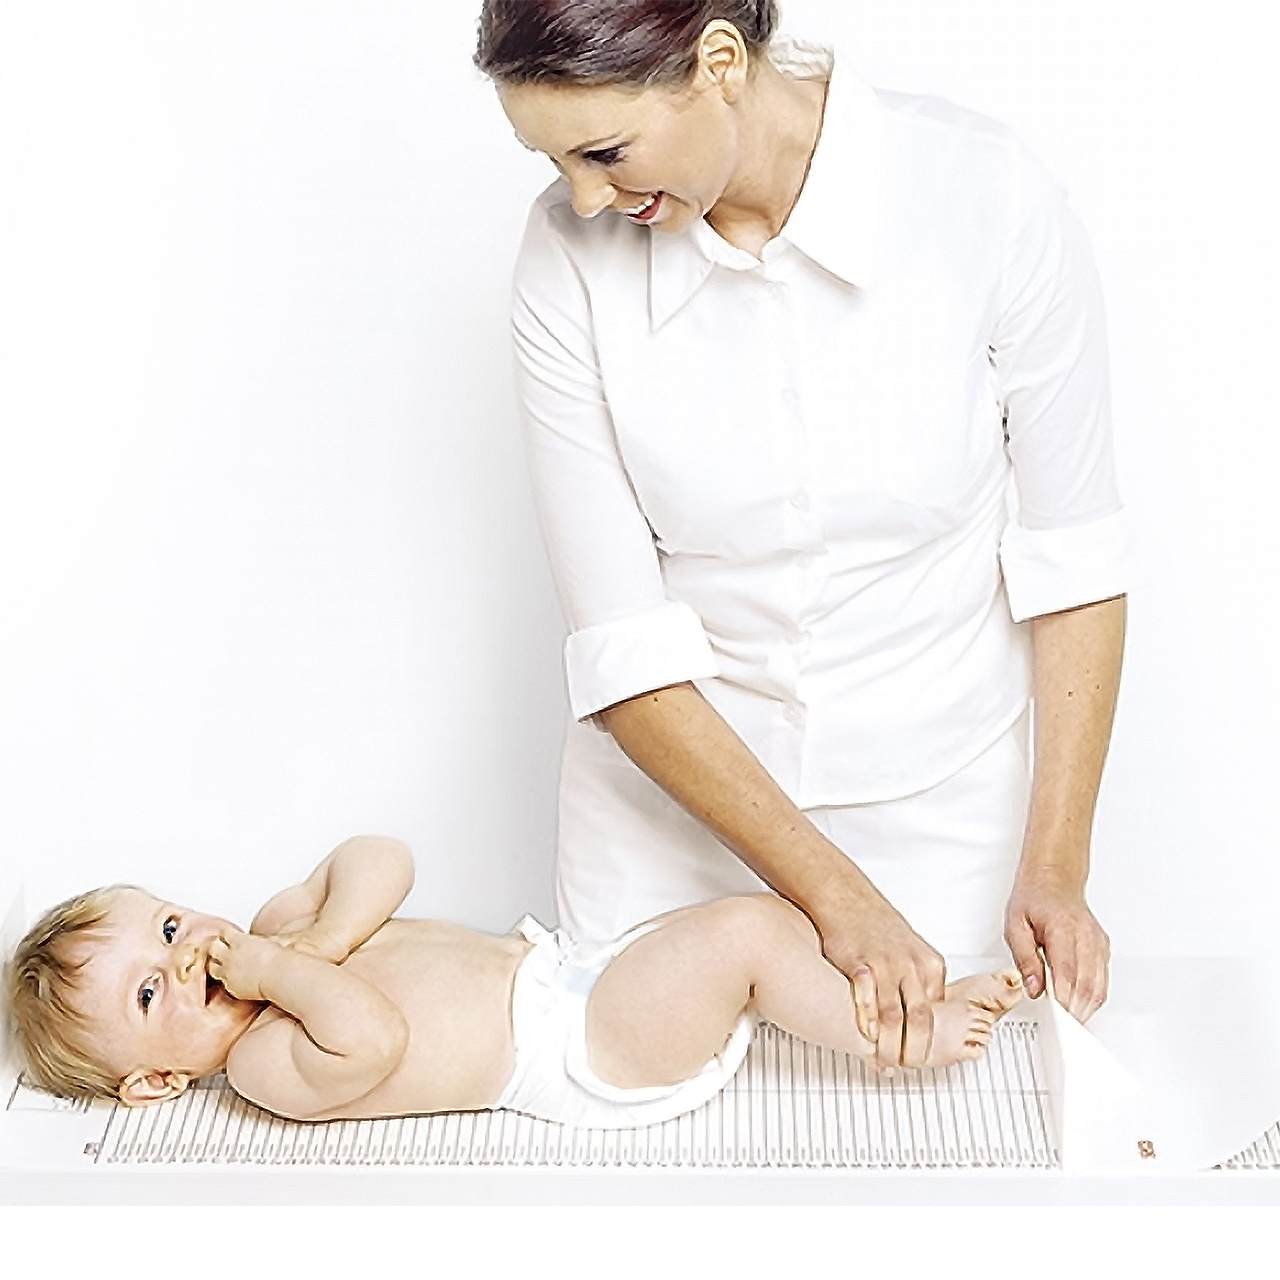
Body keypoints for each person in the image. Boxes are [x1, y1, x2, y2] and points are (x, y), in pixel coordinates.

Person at [475, 0, 1127, 1066]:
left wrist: (1055, 865)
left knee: (953, 1139)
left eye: (603, 152)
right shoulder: (565, 252)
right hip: (670, 844)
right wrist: (834, 899)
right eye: (555, 162)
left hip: (942, 826)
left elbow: (1073, 561)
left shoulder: (985, 195)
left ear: (719, 61)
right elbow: (623, 647)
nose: (584, 196)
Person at [6, 837, 1023, 1125]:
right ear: (157, 1080)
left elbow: (381, 856)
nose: (183, 956)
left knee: (753, 909)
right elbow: (372, 1038)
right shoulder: (264, 1061)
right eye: (150, 993)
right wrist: (281, 973)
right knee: (744, 935)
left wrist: (322, 935)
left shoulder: (285, 930)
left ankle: (879, 998)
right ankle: (905, 1036)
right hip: (582, 1052)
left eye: (169, 927)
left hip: (573, 971)